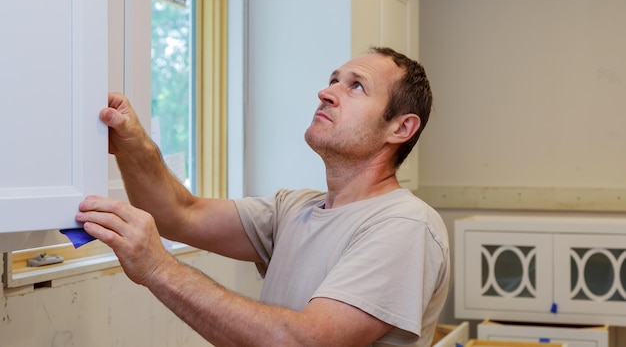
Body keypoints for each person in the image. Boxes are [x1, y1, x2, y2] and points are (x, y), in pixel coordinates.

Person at [76, 46, 450, 347]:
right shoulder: (294, 208)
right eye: (333, 80)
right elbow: (178, 214)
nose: (326, 92)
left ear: (401, 127)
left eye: (356, 86)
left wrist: (158, 269)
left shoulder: (405, 225)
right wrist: (133, 146)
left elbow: (304, 342)